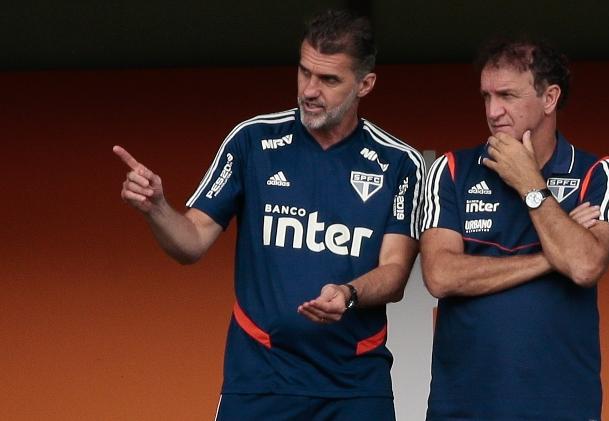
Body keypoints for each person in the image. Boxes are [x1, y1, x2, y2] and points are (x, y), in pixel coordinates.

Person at [114, 9, 424, 421]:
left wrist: (349, 294)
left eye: (329, 80)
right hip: (259, 378)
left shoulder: (399, 162)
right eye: (304, 72)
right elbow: (191, 242)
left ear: (365, 84)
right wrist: (157, 209)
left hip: (355, 384)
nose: (310, 90)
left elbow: (395, 271)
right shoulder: (253, 141)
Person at [420, 39, 609, 420]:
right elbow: (441, 275)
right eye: (486, 96)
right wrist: (549, 260)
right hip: (463, 406)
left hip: (562, 407)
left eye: (508, 96)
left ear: (549, 98)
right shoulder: (450, 170)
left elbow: (584, 265)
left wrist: (530, 184)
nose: (493, 111)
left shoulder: (597, 173)